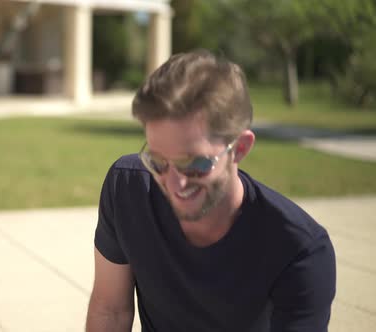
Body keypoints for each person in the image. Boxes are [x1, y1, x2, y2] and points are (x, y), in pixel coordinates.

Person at [86, 49, 336, 331]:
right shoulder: (129, 189)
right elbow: (111, 310)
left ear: (239, 148)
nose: (174, 183)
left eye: (194, 163)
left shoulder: (298, 250)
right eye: (157, 161)